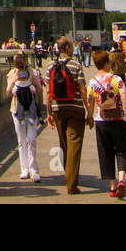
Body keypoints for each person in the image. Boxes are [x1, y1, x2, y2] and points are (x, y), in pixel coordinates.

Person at [48, 36, 92, 195]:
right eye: (71, 46)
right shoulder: (75, 65)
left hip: (58, 108)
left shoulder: (50, 65)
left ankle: (69, 173)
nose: (73, 49)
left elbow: (48, 92)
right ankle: (71, 184)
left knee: (64, 144)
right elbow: (83, 89)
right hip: (75, 109)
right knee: (74, 144)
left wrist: (48, 113)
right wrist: (90, 112)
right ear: (66, 48)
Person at [88, 49, 126, 199]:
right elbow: (125, 97)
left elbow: (90, 101)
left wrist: (89, 116)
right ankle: (122, 179)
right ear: (107, 63)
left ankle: (112, 187)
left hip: (101, 121)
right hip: (118, 120)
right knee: (122, 150)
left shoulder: (93, 81)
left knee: (105, 152)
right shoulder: (116, 79)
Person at [5, 51, 43, 183]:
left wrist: (35, 82)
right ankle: (24, 169)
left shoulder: (32, 72)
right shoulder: (12, 73)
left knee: (31, 139)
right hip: (16, 109)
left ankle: (33, 169)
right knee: (21, 141)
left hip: (31, 109)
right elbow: (8, 93)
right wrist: (13, 82)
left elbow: (40, 92)